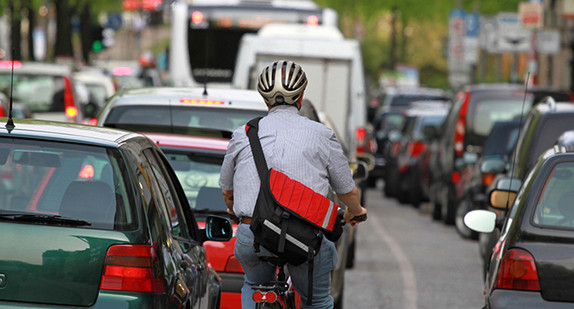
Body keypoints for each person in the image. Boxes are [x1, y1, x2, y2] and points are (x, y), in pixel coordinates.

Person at [219, 60, 367, 308]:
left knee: (253, 286)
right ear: (301, 97)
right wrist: (355, 211)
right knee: (317, 300)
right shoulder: (321, 134)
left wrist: (234, 210)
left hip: (253, 233)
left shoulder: (242, 134)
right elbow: (347, 190)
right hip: (304, 238)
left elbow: (226, 190)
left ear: (265, 100)